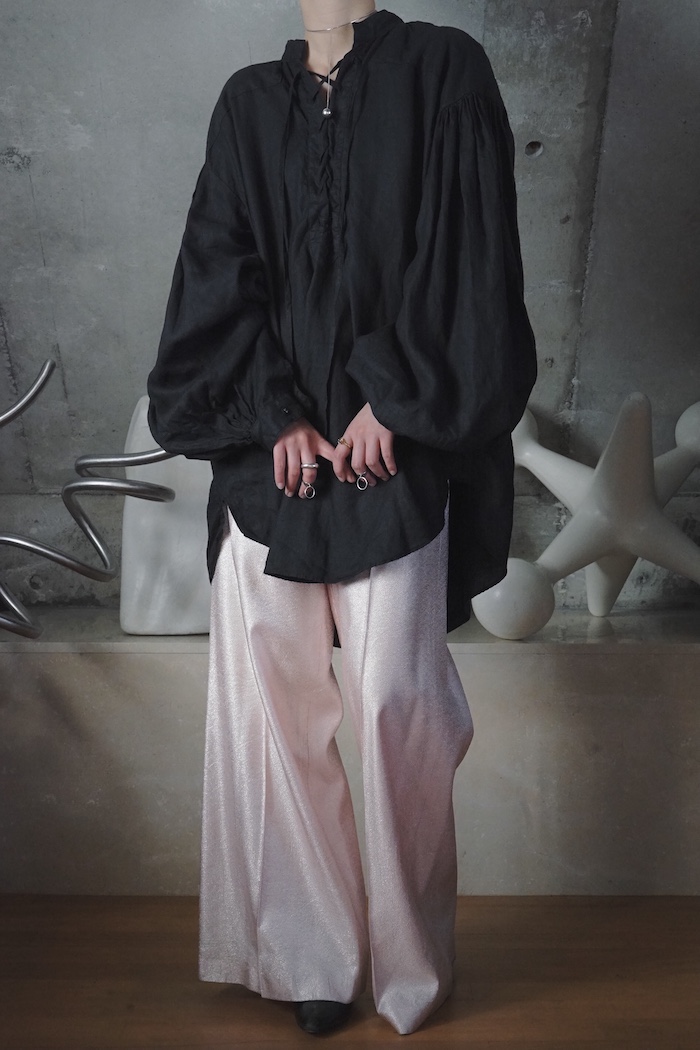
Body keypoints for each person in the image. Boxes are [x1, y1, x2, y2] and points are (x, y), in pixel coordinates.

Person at [147, 0, 537, 1036]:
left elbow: (470, 254)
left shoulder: (446, 70)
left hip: (395, 448)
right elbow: (216, 269)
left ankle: (411, 965)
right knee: (270, 718)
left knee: (396, 709)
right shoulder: (247, 103)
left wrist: (395, 400)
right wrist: (271, 412)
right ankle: (308, 962)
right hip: (271, 460)